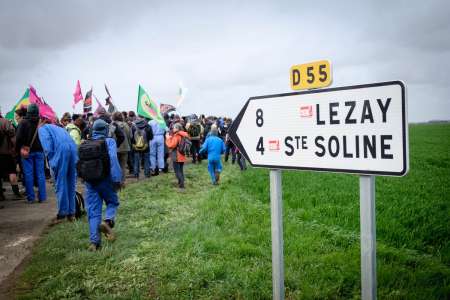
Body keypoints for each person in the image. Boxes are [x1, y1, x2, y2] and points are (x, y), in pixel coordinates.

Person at [79, 119, 122, 251]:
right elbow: (113, 159)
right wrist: (117, 179)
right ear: (105, 129)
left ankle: (94, 243)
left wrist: (82, 178)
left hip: (90, 182)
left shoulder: (85, 143)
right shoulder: (109, 141)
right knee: (112, 202)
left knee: (93, 212)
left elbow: (79, 163)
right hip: (106, 180)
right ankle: (108, 221)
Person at [38, 121, 78, 222]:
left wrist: (52, 162)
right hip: (73, 149)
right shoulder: (58, 128)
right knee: (71, 183)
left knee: (61, 183)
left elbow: (47, 146)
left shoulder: (42, 129)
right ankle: (71, 213)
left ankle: (62, 214)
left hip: (61, 150)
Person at [15, 104, 46, 203]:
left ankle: (31, 198)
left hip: (26, 151)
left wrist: (18, 149)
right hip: (40, 151)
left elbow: (18, 138)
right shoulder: (40, 122)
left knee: (28, 174)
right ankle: (42, 197)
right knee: (41, 174)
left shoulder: (23, 122)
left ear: (28, 111)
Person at [0, 113, 22, 200]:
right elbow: (13, 137)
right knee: (12, 172)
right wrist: (14, 149)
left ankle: (1, 196)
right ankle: (16, 193)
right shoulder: (5, 122)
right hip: (7, 152)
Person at [165, 123, 189, 190]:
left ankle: (182, 186)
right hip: (182, 155)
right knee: (181, 170)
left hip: (177, 155)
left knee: (177, 171)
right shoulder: (183, 134)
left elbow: (171, 145)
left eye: (174, 128)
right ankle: (180, 182)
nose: (173, 129)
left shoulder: (177, 136)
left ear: (177, 128)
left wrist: (167, 138)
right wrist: (171, 137)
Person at [112, 112, 131, 183]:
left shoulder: (112, 125)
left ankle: (116, 181)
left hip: (115, 147)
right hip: (125, 147)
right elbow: (130, 136)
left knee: (115, 166)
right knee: (123, 166)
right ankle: (122, 182)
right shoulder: (126, 125)